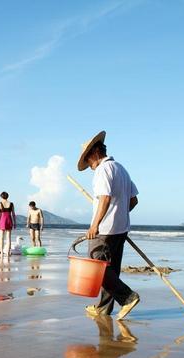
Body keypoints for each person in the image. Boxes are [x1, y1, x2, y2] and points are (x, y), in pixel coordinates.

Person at [78, 130, 140, 320]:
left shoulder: (103, 170)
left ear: (95, 153)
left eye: (88, 160)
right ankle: (104, 308)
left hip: (105, 230)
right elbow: (133, 201)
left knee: (97, 268)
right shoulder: (121, 168)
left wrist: (95, 225)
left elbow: (105, 198)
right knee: (110, 270)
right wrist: (119, 214)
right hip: (120, 229)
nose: (89, 165)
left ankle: (128, 297)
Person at [0, 191, 16, 257]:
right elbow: (13, 214)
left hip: (2, 220)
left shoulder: (0, 203)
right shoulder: (11, 204)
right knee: (8, 238)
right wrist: (14, 223)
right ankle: (8, 252)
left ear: (1, 197)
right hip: (9, 220)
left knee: (1, 238)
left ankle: (2, 252)